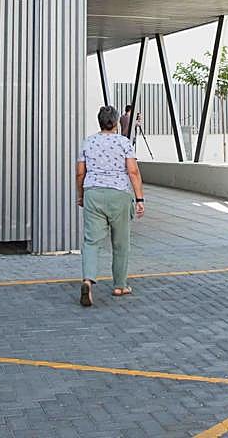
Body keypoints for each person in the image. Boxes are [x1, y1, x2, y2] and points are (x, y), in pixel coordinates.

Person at [76, 105, 145, 307]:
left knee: (91, 241)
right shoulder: (124, 143)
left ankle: (88, 280)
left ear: (100, 122)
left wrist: (81, 195)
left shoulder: (87, 143)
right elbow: (133, 172)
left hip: (93, 193)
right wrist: (139, 199)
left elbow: (80, 173)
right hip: (119, 195)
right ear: (115, 122)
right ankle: (120, 285)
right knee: (121, 242)